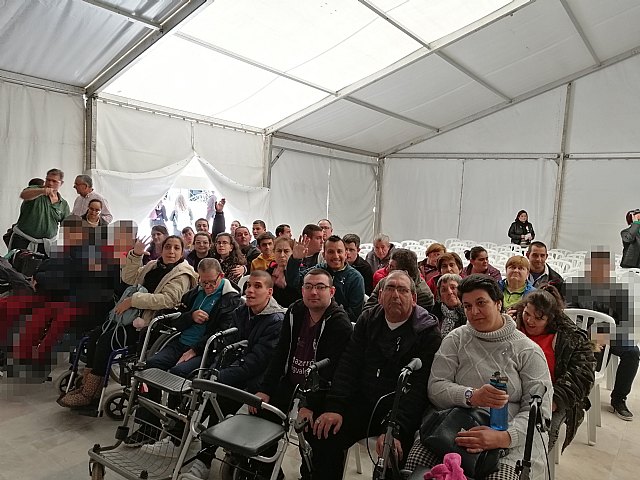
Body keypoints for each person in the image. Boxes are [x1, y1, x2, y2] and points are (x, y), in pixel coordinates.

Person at [404, 274, 552, 480]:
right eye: (467, 306)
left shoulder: (528, 351)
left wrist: (503, 437)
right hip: (450, 430)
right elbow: (436, 388)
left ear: (498, 303)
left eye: (481, 303)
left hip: (508, 443)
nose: (474, 312)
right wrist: (471, 396)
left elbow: (540, 413)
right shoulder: (456, 339)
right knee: (416, 466)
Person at [307, 271, 442, 480]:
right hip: (363, 401)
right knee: (323, 433)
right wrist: (335, 406)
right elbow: (349, 365)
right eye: (390, 288)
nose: (395, 295)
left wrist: (395, 429)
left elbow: (417, 388)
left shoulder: (427, 332)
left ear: (414, 298)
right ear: (380, 296)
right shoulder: (368, 319)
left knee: (394, 455)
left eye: (403, 290)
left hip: (400, 410)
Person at [57, 235, 198, 408]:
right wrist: (136, 255)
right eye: (168, 247)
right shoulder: (153, 265)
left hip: (149, 324)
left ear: (182, 252)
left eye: (176, 248)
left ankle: (90, 394)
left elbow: (168, 300)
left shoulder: (182, 274)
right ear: (161, 249)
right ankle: (87, 384)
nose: (171, 251)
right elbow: (129, 278)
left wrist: (133, 301)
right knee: (94, 336)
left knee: (105, 342)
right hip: (129, 315)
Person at [124, 258, 242, 448]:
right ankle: (150, 426)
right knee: (151, 365)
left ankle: (175, 432)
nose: (208, 286)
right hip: (180, 343)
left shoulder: (231, 300)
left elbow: (223, 334)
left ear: (221, 276)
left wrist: (194, 350)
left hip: (205, 350)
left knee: (178, 374)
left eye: (212, 282)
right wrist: (191, 316)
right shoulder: (194, 293)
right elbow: (177, 322)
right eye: (204, 282)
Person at [253, 268, 353, 426]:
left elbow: (333, 371)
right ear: (302, 290)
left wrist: (309, 404)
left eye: (320, 287)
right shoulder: (295, 311)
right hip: (290, 382)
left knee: (311, 427)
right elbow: (281, 352)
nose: (313, 292)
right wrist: (265, 389)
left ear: (332, 291)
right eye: (308, 286)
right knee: (260, 413)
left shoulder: (339, 323)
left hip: (319, 390)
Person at [514, 285, 596, 451]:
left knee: (539, 437)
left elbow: (583, 376)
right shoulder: (512, 325)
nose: (530, 321)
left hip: (550, 395)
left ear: (550, 319)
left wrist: (554, 400)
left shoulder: (571, 338)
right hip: (514, 391)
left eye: (538, 318)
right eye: (527, 314)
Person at [565, 250, 640, 420]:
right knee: (591, 351)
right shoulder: (574, 288)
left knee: (632, 352)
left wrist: (607, 334)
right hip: (583, 334)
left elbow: (626, 321)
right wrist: (588, 333)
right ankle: (580, 392)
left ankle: (619, 399)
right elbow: (570, 316)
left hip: (611, 334)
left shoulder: (618, 291)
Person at [287, 235, 365, 322]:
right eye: (331, 252)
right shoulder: (318, 270)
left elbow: (355, 313)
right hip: (313, 321)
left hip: (339, 324)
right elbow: (294, 282)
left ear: (345, 254)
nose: (336, 256)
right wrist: (295, 260)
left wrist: (327, 319)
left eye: (339, 251)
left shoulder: (355, 278)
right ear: (324, 255)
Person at [9, 168, 71, 255]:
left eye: (54, 181)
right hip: (23, 240)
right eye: (48, 180)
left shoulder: (63, 204)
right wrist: (42, 191)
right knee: (17, 263)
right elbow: (24, 195)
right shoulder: (36, 190)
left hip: (46, 244)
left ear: (61, 183)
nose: (50, 183)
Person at [365, 248, 434, 312]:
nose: (387, 269)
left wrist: (384, 307)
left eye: (391, 267)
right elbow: (366, 311)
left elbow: (419, 319)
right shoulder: (384, 282)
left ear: (404, 272)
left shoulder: (424, 295)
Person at [267, 236, 300, 308]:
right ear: (273, 252)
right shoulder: (268, 272)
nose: (282, 255)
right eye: (279, 251)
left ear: (293, 252)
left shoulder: (300, 271)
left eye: (286, 251)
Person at [430, 274, 466, 338]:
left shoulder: (469, 313)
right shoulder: (433, 317)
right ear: (440, 297)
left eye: (453, 288)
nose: (449, 292)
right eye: (444, 290)